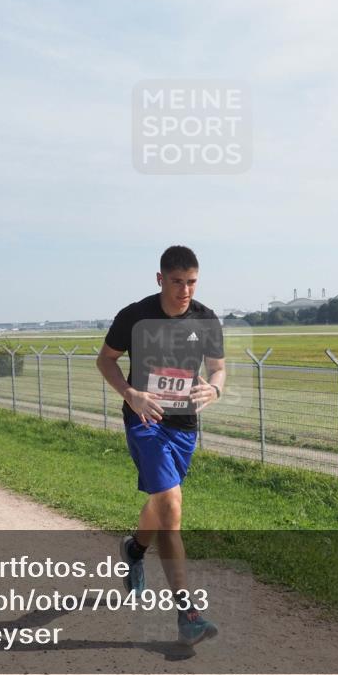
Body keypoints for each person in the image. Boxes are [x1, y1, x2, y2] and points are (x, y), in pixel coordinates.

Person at [96, 245, 225, 646]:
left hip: (184, 428)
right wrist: (131, 394)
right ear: (160, 279)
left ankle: (135, 549)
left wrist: (215, 389)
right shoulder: (135, 316)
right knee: (171, 505)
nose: (185, 290)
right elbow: (105, 360)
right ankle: (188, 612)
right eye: (176, 282)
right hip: (145, 421)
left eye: (191, 282)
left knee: (161, 502)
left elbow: (218, 368)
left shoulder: (205, 319)